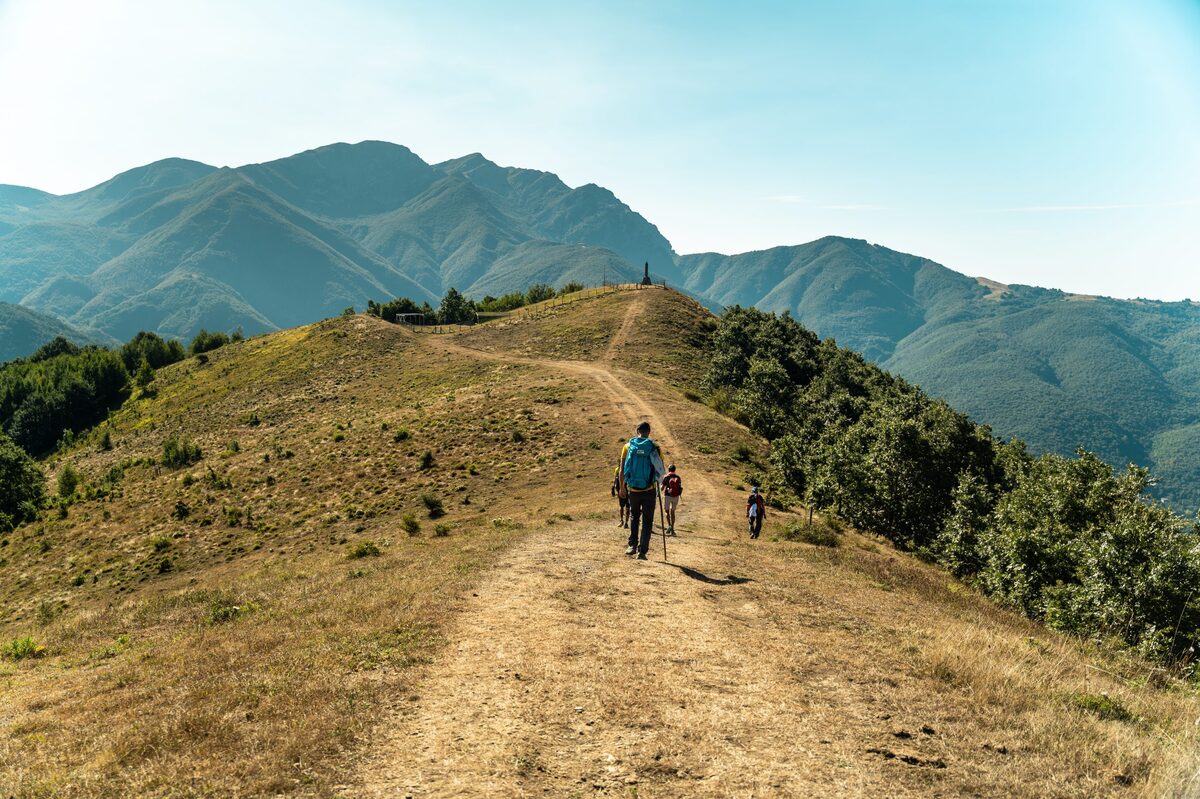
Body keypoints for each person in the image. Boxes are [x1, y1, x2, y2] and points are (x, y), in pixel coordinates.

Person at [619, 420, 666, 560]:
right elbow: (660, 469)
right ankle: (642, 552)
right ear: (649, 432)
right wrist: (660, 485)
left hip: (633, 489)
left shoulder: (627, 446)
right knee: (647, 520)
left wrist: (622, 487)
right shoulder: (655, 447)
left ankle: (632, 546)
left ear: (637, 432)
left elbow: (622, 469)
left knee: (634, 516)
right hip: (649, 489)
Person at [661, 464, 682, 536]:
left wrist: (661, 485)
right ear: (675, 470)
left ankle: (669, 525)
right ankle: (672, 529)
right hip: (676, 496)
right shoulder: (678, 477)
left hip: (667, 496)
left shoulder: (666, 477)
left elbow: (662, 489)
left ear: (669, 470)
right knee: (673, 512)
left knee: (667, 511)